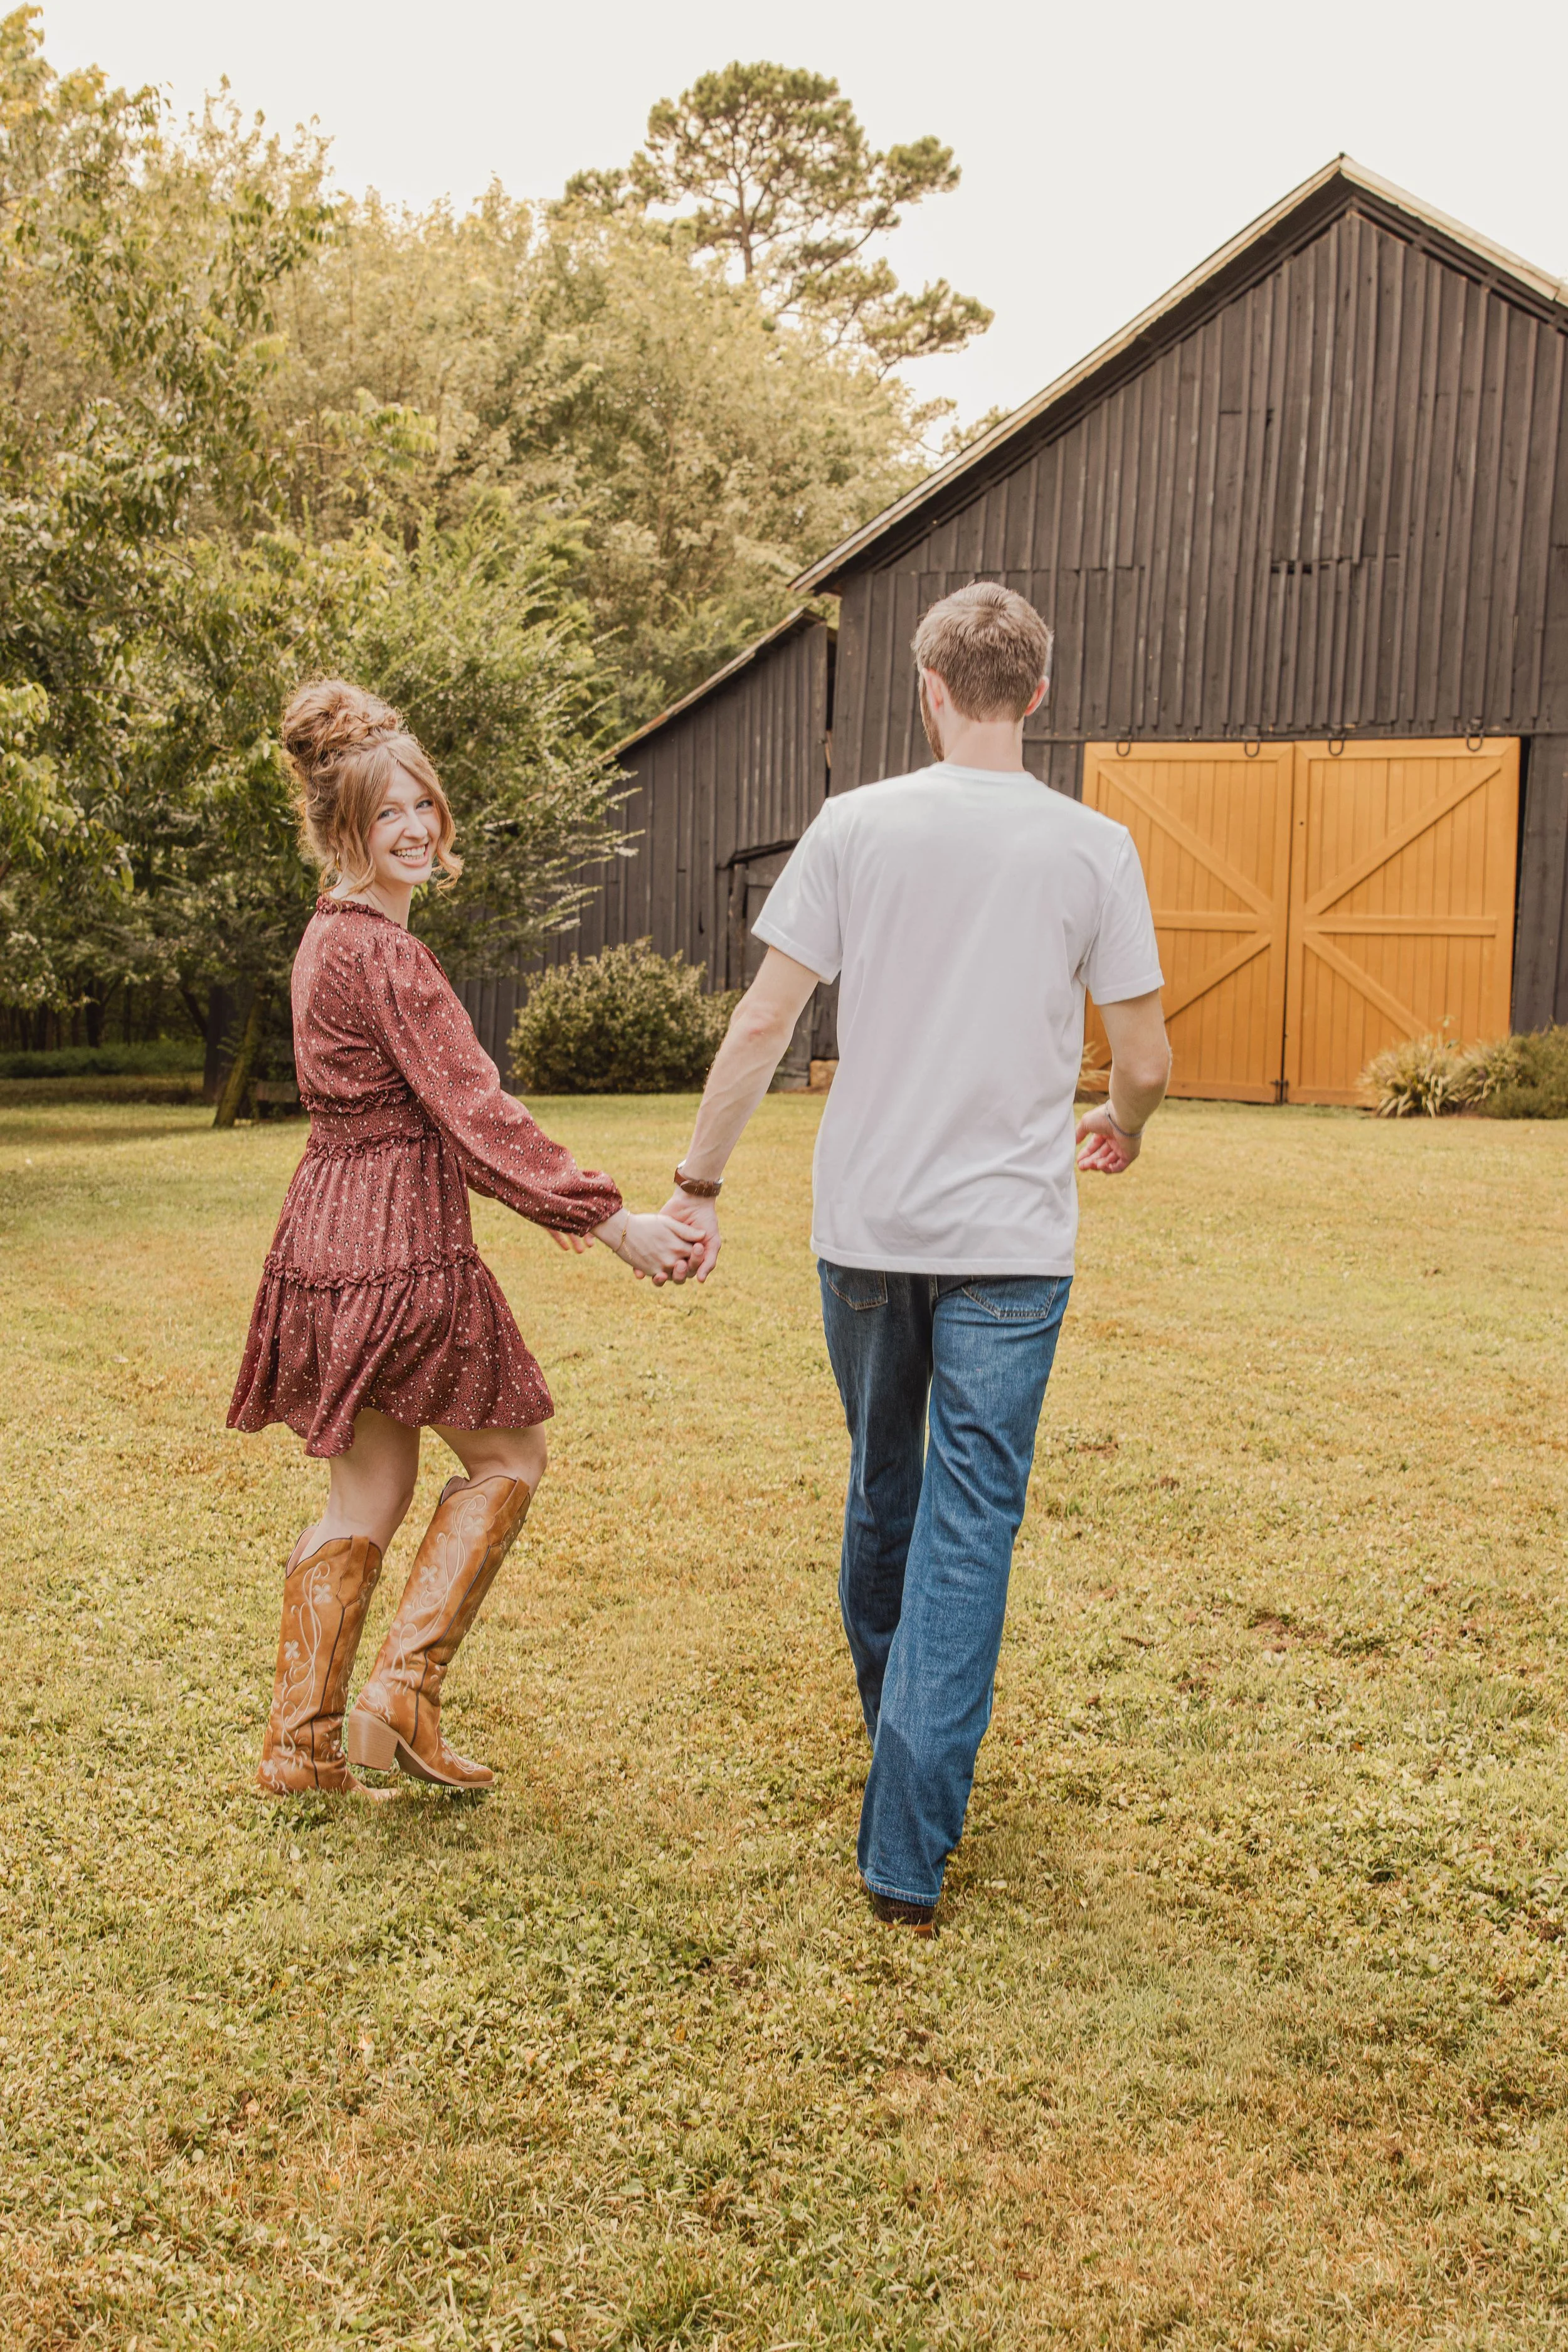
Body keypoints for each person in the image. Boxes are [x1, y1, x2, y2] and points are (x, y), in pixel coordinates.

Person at [659, 582, 1171, 1931]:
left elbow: (763, 1026)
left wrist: (697, 1181)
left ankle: (903, 1766)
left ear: (928, 687)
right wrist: (1115, 1125)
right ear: (1037, 696)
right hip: (1012, 1242)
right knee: (969, 1521)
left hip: (867, 1233)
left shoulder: (851, 828)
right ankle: (908, 1823)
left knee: (886, 1490)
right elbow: (1148, 1057)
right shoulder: (1091, 848)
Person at [230, 680, 701, 1800]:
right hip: (398, 1241)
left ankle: (300, 1748)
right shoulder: (389, 958)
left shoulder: (323, 941)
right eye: (386, 811)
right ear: (340, 825)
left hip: (325, 1237)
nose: (415, 827)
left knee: (368, 1494)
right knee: (510, 1457)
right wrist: (612, 1221)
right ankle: (403, 1692)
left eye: (423, 806)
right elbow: (476, 1112)